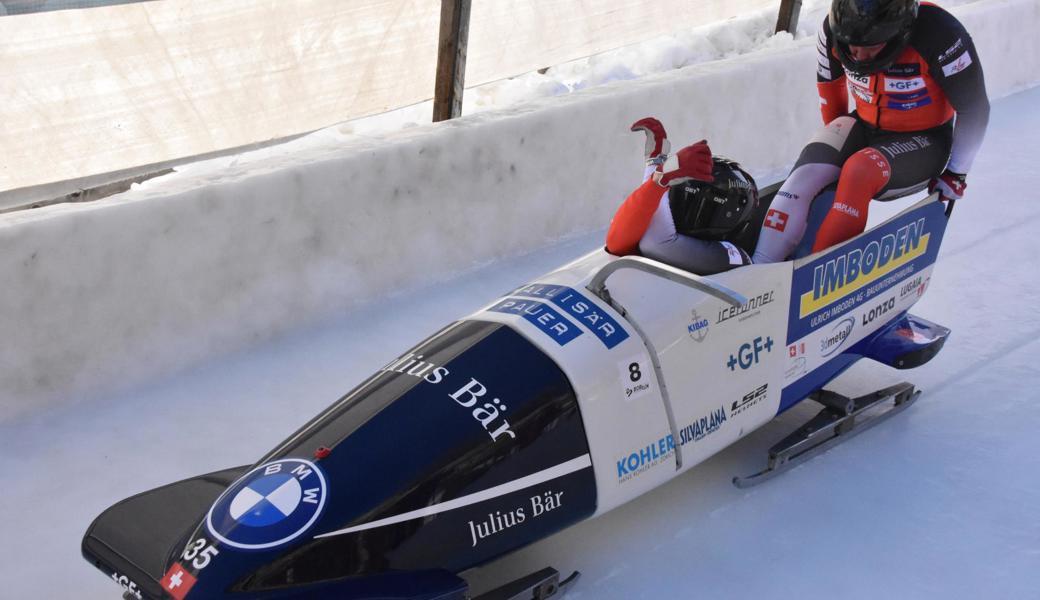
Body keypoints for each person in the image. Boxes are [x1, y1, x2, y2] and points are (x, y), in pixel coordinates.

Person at [752, 0, 989, 263]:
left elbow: (974, 107)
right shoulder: (830, 32)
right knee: (805, 172)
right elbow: (831, 92)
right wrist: (832, 155)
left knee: (859, 171)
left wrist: (956, 171)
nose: (860, 58)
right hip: (864, 125)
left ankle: (817, 273)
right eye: (853, 48)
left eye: (872, 47)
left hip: (925, 139)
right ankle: (760, 271)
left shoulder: (939, 33)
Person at [605, 118, 759, 275]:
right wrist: (657, 172)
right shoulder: (657, 234)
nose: (692, 213)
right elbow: (616, 244)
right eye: (685, 200)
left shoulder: (734, 257)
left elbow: (656, 244)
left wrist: (658, 176)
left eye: (706, 210)